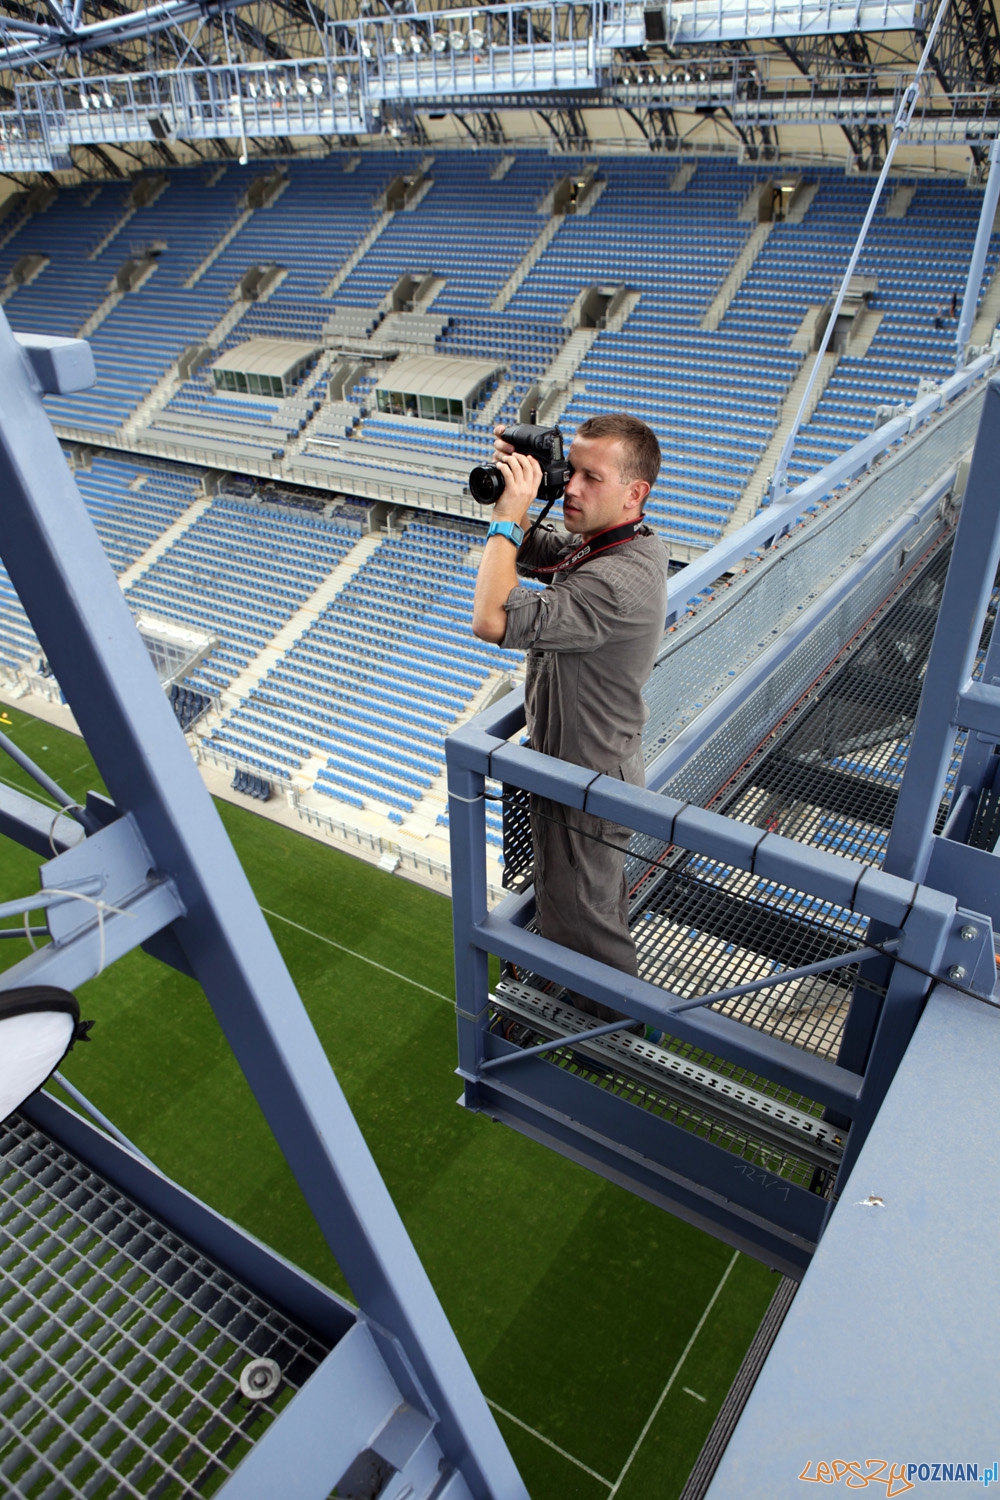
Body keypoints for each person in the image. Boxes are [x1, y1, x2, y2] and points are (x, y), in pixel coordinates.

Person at [472, 412, 669, 1023]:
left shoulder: (616, 579)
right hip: (576, 767)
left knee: (589, 922)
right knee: (575, 905)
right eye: (570, 473)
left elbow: (491, 619)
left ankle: (617, 1038)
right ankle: (586, 1009)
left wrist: (509, 517)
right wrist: (523, 492)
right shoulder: (618, 543)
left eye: (592, 478)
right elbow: (537, 549)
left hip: (585, 783)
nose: (573, 490)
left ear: (635, 492)